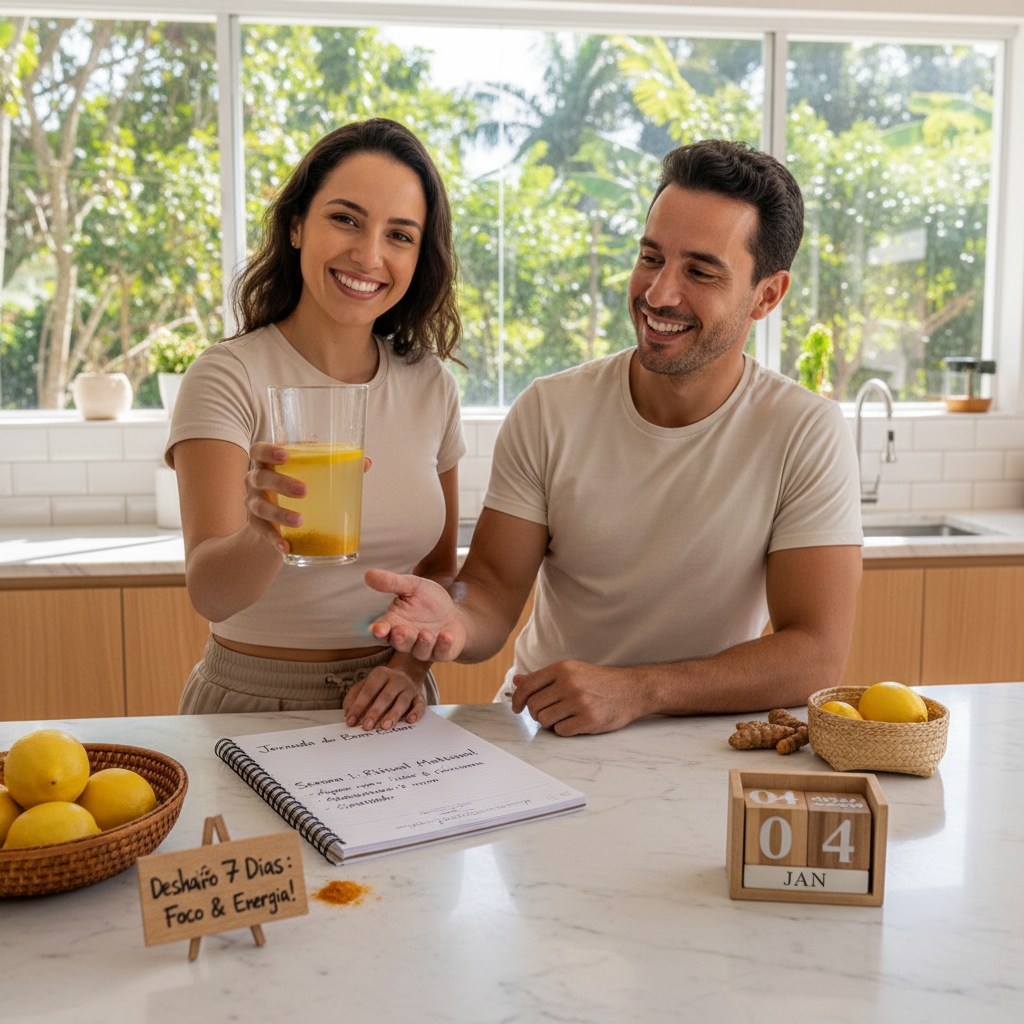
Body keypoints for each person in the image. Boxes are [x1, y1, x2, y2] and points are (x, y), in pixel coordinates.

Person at [359, 138, 863, 737]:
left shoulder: (804, 430)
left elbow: (816, 654)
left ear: (767, 295)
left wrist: (637, 690)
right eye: (652, 258)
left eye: (700, 271)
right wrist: (455, 621)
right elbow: (493, 589)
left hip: (705, 744)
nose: (658, 294)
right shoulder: (551, 410)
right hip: (548, 732)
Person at [165, 118, 465, 730]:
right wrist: (265, 532)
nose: (369, 254)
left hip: (396, 701)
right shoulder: (227, 376)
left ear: (419, 257)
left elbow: (438, 569)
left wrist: (406, 670)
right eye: (346, 219)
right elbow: (210, 594)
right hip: (252, 702)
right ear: (298, 225)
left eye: (399, 235)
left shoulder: (431, 385)